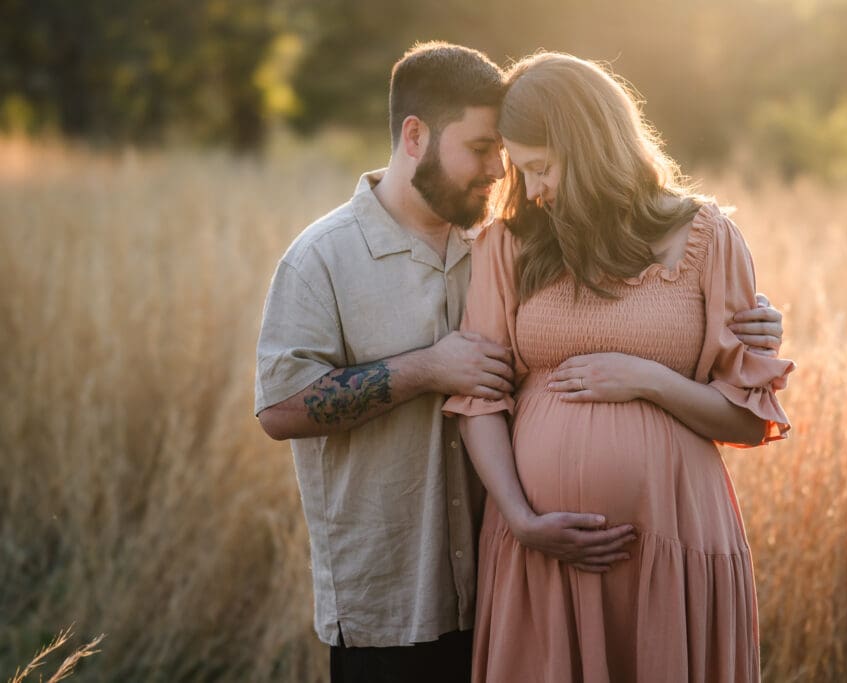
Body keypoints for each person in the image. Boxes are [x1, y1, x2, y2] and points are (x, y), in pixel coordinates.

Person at [255, 42, 785, 682]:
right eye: (485, 152)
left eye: (519, 163)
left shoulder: (498, 238)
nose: (506, 180)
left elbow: (739, 402)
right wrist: (432, 375)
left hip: (611, 557)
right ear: (415, 137)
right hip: (419, 588)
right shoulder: (331, 258)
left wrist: (675, 363)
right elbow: (282, 409)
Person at [443, 52, 795, 683]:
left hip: (672, 544)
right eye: (522, 172)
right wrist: (522, 520)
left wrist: (648, 379)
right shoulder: (509, 245)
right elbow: (479, 400)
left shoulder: (707, 238)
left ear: (590, 146)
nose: (534, 189)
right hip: (539, 552)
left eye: (542, 167)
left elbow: (747, 421)